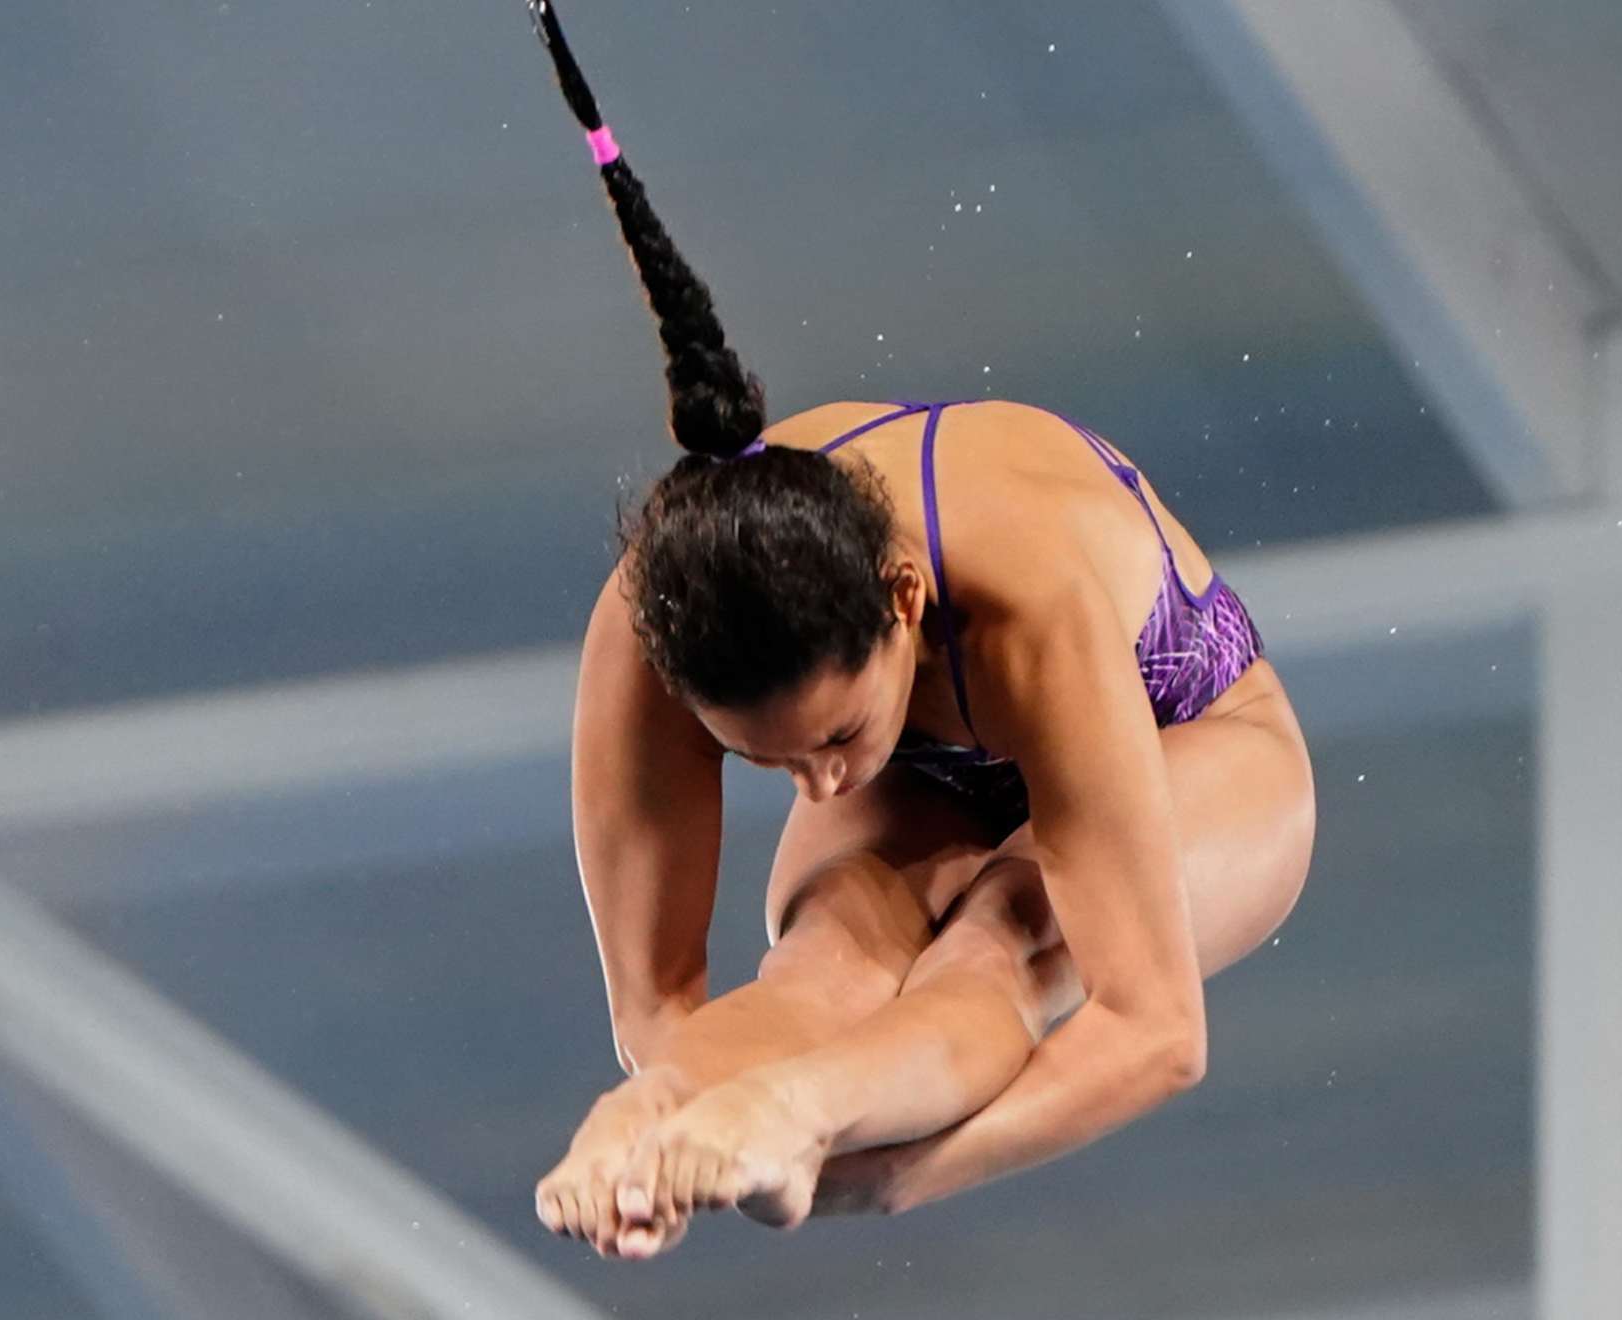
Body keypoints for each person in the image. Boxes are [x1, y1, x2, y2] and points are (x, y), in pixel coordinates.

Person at [525, 1, 1315, 1261]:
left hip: (1197, 739)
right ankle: (721, 1107)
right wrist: (654, 1127)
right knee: (824, 959)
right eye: (770, 761)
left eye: (833, 734)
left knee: (1007, 926)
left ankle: (811, 1099)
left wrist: (863, 1169)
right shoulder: (643, 632)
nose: (821, 781)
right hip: (937, 762)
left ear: (901, 598)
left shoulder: (1021, 588)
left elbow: (1155, 1032)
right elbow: (665, 1007)